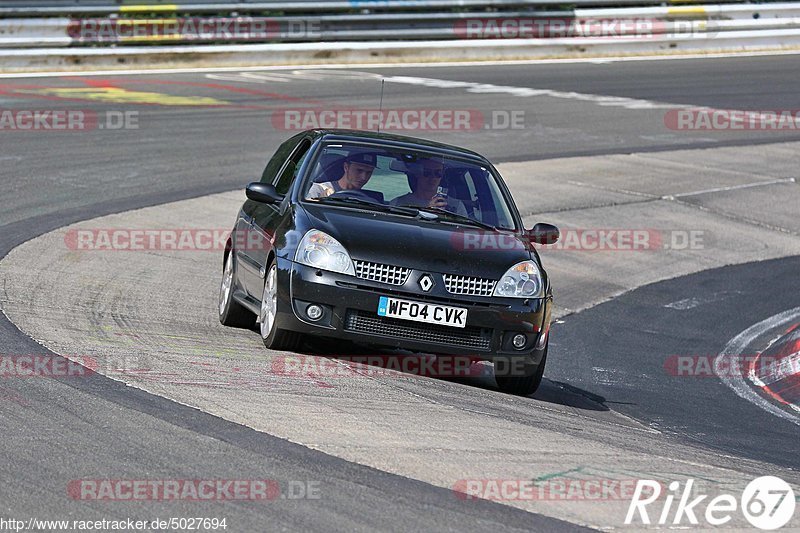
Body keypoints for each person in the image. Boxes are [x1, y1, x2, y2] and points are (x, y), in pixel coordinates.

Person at [390, 158, 469, 217]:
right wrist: (427, 212)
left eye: (438, 173)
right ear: (417, 173)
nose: (433, 177)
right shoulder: (398, 204)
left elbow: (462, 234)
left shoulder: (456, 206)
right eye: (427, 172)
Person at [307, 152, 377, 199]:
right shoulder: (320, 190)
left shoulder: (369, 200)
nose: (364, 177)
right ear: (346, 167)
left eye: (369, 172)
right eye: (359, 170)